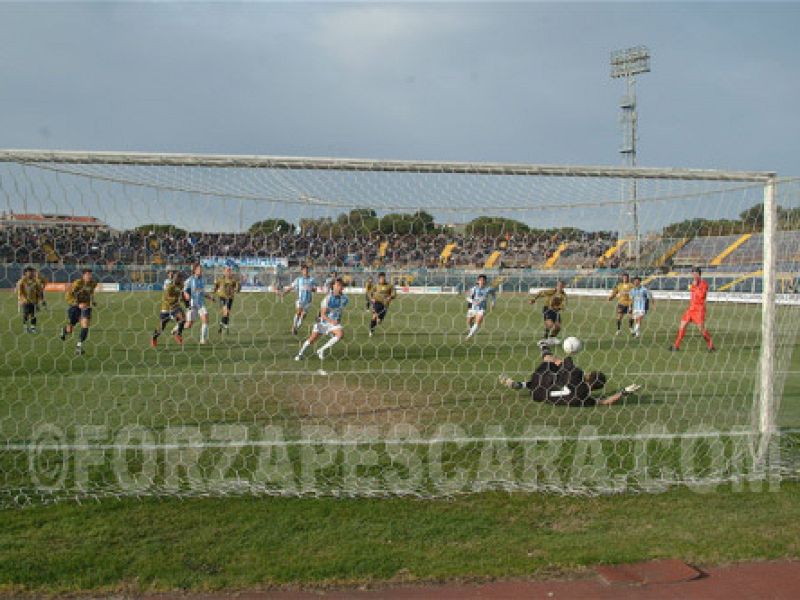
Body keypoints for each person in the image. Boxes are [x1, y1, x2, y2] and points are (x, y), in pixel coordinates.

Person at [499, 342, 640, 407]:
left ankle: (542, 345)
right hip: (539, 397)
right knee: (555, 380)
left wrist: (564, 353)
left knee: (551, 365)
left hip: (540, 381)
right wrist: (623, 392)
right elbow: (605, 401)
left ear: (589, 377)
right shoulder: (585, 398)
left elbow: (557, 360)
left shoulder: (576, 373)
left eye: (591, 372)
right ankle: (523, 384)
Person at [294, 277, 348, 361]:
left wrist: (337, 320)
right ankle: (300, 354)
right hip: (323, 321)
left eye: (341, 285)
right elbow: (322, 314)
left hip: (333, 322)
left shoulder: (345, 299)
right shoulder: (327, 299)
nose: (339, 287)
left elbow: (340, 310)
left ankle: (321, 350)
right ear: (333, 286)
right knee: (311, 340)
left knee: (340, 334)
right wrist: (331, 321)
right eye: (337, 285)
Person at [671, 267, 715, 352]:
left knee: (701, 330)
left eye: (696, 273)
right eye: (693, 273)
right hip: (691, 309)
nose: (694, 275)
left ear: (699, 274)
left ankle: (711, 345)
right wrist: (693, 286)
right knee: (682, 325)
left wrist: (695, 286)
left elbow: (701, 295)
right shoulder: (692, 283)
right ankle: (676, 346)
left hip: (699, 309)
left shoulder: (704, 284)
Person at [60, 268, 98, 355]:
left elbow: (91, 292)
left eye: (90, 274)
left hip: (86, 306)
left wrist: (93, 300)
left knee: (85, 326)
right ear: (83, 275)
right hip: (75, 306)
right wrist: (77, 303)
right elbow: (68, 295)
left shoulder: (93, 283)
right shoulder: (78, 283)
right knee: (70, 329)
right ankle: (64, 330)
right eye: (87, 274)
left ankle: (79, 346)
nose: (89, 276)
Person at [151, 272, 186, 347]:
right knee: (161, 329)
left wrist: (185, 302)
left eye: (181, 279)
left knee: (182, 319)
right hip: (166, 308)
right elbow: (166, 298)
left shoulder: (181, 285)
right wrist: (176, 298)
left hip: (175, 307)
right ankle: (154, 337)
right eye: (180, 279)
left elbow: (181, 294)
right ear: (175, 279)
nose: (181, 280)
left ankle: (177, 334)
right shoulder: (169, 286)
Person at [284, 264, 317, 335]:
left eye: (307, 270)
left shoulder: (312, 280)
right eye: (304, 270)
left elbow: (315, 289)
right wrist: (284, 293)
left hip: (308, 301)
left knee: (303, 315)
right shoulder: (298, 279)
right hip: (300, 299)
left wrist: (311, 288)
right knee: (299, 312)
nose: (306, 271)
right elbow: (291, 287)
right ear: (302, 271)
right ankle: (293, 327)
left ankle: (296, 327)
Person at [183, 262, 210, 344]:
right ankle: (177, 329)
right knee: (189, 325)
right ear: (194, 270)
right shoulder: (190, 279)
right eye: (198, 269)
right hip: (193, 304)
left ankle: (202, 339)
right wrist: (186, 294)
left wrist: (210, 297)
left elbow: (202, 292)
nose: (200, 270)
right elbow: (184, 289)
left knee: (205, 319)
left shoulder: (202, 280)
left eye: (201, 269)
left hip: (201, 304)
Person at [465, 274, 495, 340]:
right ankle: (472, 330)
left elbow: (493, 295)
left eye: (483, 280)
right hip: (472, 308)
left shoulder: (489, 289)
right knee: (469, 322)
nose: (482, 281)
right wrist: (473, 301)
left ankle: (469, 336)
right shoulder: (474, 289)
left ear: (485, 281)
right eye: (480, 280)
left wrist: (493, 303)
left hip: (482, 309)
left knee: (478, 321)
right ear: (478, 281)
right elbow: (467, 297)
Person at [213, 266, 241, 334]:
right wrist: (215, 291)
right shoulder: (220, 279)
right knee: (225, 312)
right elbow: (216, 286)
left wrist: (237, 288)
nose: (228, 272)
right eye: (227, 271)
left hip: (230, 297)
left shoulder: (233, 280)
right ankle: (225, 325)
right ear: (224, 272)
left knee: (227, 313)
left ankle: (221, 325)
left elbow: (237, 289)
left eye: (229, 271)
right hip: (222, 297)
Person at [16, 266, 44, 333]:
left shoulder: (35, 281)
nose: (31, 273)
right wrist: (21, 299)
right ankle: (25, 328)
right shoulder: (22, 281)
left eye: (32, 272)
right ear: (26, 273)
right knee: (26, 314)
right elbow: (19, 291)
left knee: (33, 315)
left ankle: (33, 328)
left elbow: (39, 291)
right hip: (25, 301)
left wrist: (41, 300)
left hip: (34, 301)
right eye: (30, 272)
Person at [368, 272, 396, 337]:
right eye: (381, 278)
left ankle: (374, 325)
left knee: (379, 321)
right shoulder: (376, 285)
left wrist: (390, 297)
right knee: (374, 316)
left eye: (383, 278)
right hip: (377, 302)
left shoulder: (389, 286)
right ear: (379, 279)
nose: (382, 279)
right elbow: (370, 293)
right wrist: (372, 298)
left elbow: (394, 294)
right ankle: (371, 331)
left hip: (385, 305)